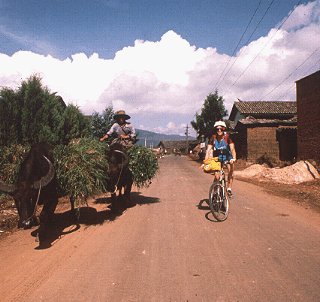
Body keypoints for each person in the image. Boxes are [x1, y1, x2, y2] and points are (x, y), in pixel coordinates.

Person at [205, 120, 236, 196]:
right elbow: (208, 150)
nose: (219, 130)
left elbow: (232, 149)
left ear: (224, 129)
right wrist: (206, 161)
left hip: (227, 157)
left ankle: (229, 189)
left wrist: (234, 158)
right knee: (217, 176)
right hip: (217, 158)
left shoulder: (227, 137)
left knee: (230, 171)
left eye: (221, 129)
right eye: (217, 129)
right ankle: (214, 191)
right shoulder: (213, 138)